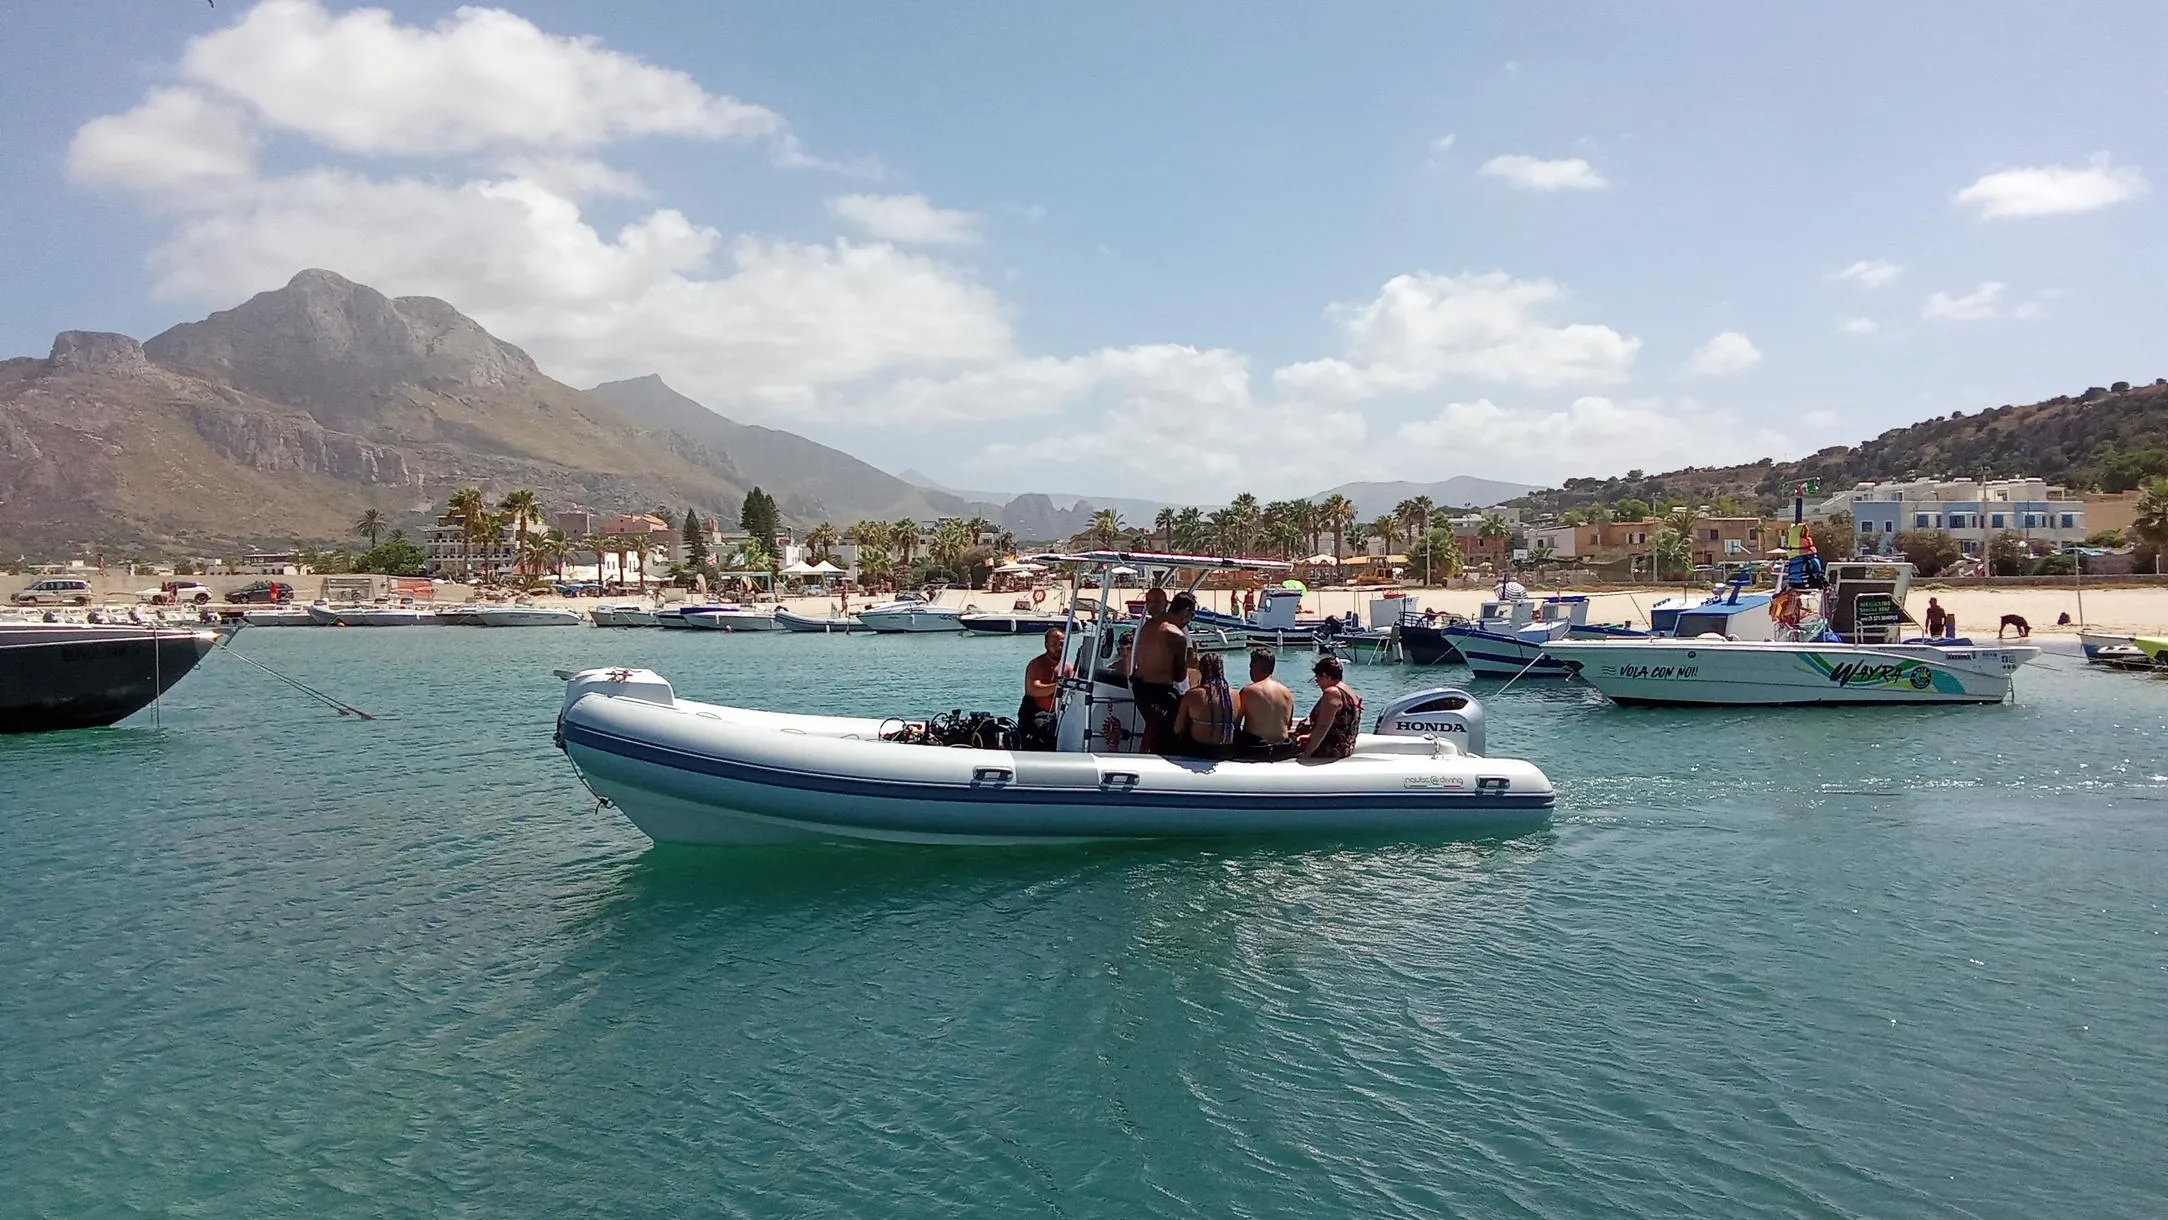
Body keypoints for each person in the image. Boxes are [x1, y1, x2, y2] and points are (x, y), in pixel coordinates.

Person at [1129, 591, 1194, 752]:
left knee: (1153, 730)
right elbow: (1180, 677)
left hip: (1139, 688)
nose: (1191, 619)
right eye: (1192, 614)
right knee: (1175, 730)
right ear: (1186, 612)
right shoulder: (1177, 636)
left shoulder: (1149, 625)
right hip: (1159, 692)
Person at [1295, 654, 1363, 761]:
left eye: (1318, 679)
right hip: (1345, 747)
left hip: (1330, 750)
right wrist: (1310, 735)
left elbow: (1323, 726)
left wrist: (1307, 753)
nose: (1318, 684)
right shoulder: (1349, 691)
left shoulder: (1332, 693)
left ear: (1326, 676)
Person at [1169, 653, 1237, 758]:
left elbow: (1178, 728)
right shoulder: (1235, 695)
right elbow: (1236, 727)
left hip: (1197, 750)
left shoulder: (1193, 694)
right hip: (1226, 750)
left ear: (1202, 670)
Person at [1234, 648, 1297, 760]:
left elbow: (1236, 724)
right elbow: (1288, 724)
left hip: (1256, 749)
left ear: (1254, 668)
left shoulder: (1248, 691)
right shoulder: (1287, 692)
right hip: (1283, 749)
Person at [1018, 628, 1068, 750]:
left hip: (1059, 714)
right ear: (1046, 645)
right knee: (1043, 732)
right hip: (1036, 714)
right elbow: (1033, 689)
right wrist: (1058, 686)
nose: (1058, 648)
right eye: (1054, 645)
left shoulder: (1068, 667)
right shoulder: (1037, 664)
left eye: (1061, 644)